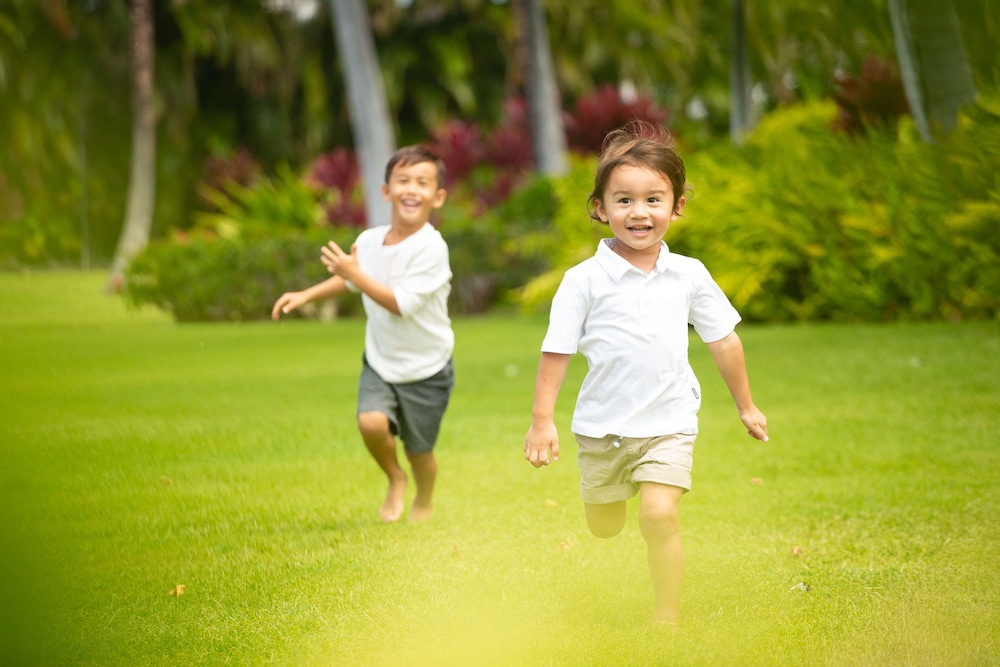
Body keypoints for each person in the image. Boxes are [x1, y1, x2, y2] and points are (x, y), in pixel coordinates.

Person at [523, 121, 769, 629]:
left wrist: (746, 405)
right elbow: (557, 351)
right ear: (600, 207)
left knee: (659, 515)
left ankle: (666, 616)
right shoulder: (582, 282)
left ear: (677, 206)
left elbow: (724, 339)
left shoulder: (690, 275)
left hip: (669, 422)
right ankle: (607, 508)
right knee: (606, 526)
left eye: (654, 199)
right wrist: (542, 421)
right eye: (625, 200)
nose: (640, 213)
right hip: (602, 429)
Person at [272, 145, 454, 523]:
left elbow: (399, 303)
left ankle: (424, 495)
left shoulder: (431, 248)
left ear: (437, 197)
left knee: (420, 452)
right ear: (386, 191)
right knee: (370, 421)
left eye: (422, 182)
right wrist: (307, 294)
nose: (411, 189)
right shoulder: (370, 240)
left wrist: (355, 275)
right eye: (402, 180)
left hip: (427, 368)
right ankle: (394, 477)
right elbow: (354, 282)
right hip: (381, 359)